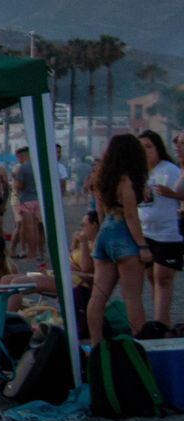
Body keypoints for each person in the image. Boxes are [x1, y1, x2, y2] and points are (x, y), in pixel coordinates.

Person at [87, 134, 149, 346]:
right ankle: (140, 344)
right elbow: (131, 216)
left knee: (98, 297)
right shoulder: (126, 181)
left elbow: (100, 211)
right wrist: (142, 246)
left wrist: (99, 236)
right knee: (132, 297)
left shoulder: (101, 178)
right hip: (124, 236)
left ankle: (96, 345)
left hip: (105, 233)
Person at [137, 129, 182, 328]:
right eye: (141, 148)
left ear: (158, 148)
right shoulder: (140, 172)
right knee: (151, 278)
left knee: (162, 278)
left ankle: (161, 323)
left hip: (167, 232)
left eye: (149, 147)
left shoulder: (169, 170)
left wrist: (173, 194)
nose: (145, 152)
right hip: (146, 232)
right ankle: (160, 322)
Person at [13, 147, 43, 262]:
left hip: (27, 199)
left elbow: (20, 186)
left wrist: (16, 186)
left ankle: (31, 254)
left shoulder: (23, 168)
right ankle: (39, 252)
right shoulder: (39, 166)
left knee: (30, 229)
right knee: (36, 228)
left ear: (23, 156)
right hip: (38, 200)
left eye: (19, 157)